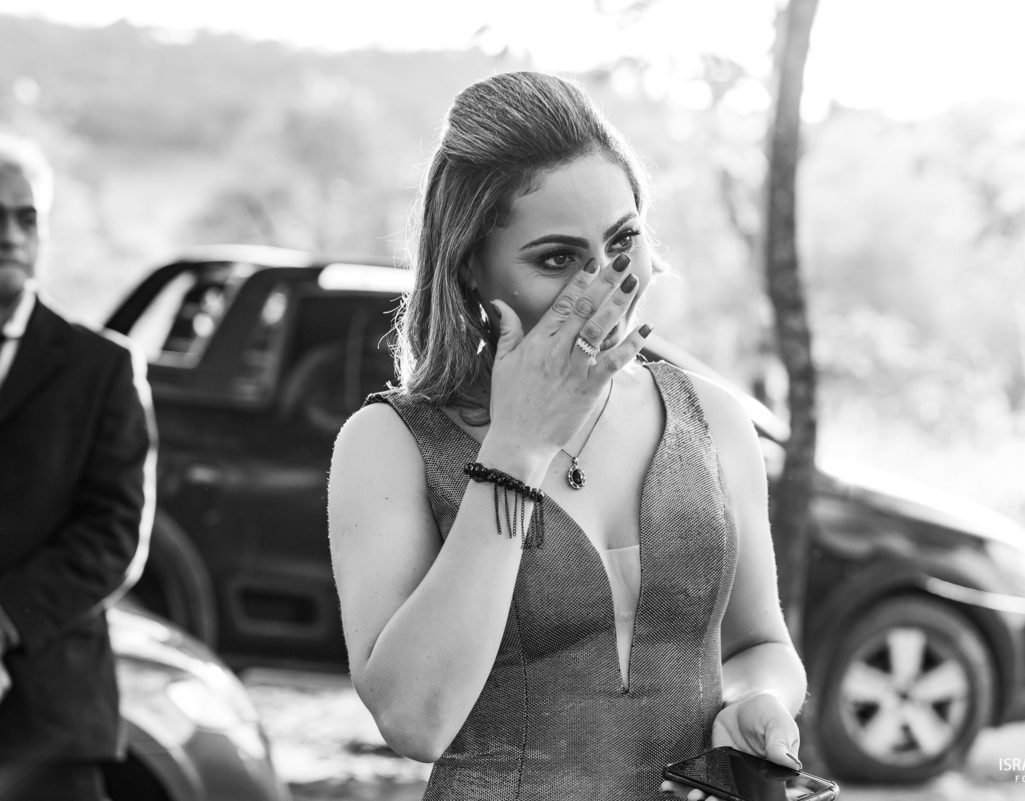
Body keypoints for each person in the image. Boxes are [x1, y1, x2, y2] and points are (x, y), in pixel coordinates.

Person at [328, 71, 806, 800]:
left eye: (623, 241)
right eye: (557, 259)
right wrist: (517, 448)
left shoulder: (714, 420)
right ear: (470, 271)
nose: (607, 283)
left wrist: (753, 700)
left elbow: (757, 644)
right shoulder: (387, 444)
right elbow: (414, 719)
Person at [0, 136, 155, 799]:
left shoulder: (102, 368)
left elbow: (115, 531)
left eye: (27, 218)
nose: (9, 235)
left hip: (49, 727)